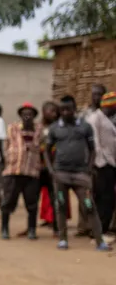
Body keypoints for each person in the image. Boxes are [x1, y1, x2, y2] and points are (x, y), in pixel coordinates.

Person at [46, 95, 110, 251]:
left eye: (68, 109)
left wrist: (89, 168)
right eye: (62, 110)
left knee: (89, 206)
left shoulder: (85, 126)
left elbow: (92, 149)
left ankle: (99, 241)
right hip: (61, 174)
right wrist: (51, 170)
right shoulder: (55, 128)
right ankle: (62, 239)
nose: (65, 112)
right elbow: (46, 150)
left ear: (74, 109)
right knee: (61, 205)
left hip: (81, 175)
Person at [0, 103, 44, 240]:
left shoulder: (39, 130)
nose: (27, 117)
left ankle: (31, 230)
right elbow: (7, 146)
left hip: (31, 172)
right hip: (13, 171)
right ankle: (4, 229)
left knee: (32, 203)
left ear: (34, 116)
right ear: (20, 116)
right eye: (24, 114)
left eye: (30, 114)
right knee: (7, 202)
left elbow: (42, 148)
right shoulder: (12, 128)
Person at [85, 85, 116, 241]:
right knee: (104, 199)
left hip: (109, 164)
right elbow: (94, 144)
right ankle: (99, 232)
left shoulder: (105, 119)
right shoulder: (95, 119)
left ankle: (99, 231)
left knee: (106, 199)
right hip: (101, 165)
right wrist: (97, 164)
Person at [39, 101, 66, 232]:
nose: (53, 114)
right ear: (44, 112)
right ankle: (35, 225)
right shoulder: (39, 127)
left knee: (56, 196)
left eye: (55, 111)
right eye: (50, 111)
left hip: (56, 166)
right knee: (37, 198)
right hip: (40, 167)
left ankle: (57, 225)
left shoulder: (60, 127)